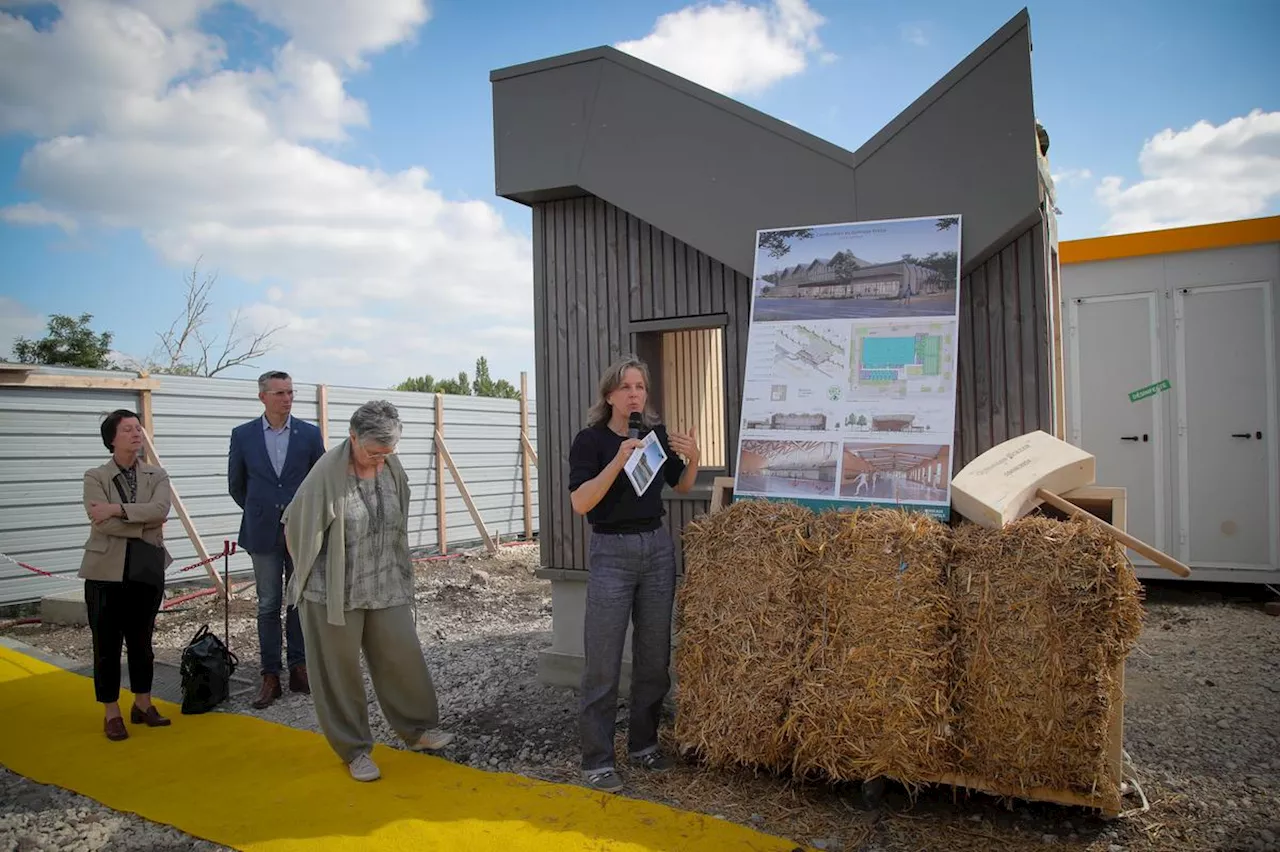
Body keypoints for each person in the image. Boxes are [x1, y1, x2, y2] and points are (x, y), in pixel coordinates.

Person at [282, 400, 454, 782]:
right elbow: (294, 531)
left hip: (384, 582)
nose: (380, 460)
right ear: (353, 437)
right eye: (373, 452)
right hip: (333, 592)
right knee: (339, 673)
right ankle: (355, 749)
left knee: (402, 655)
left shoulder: (392, 468)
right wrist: (311, 582)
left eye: (387, 453)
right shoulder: (325, 476)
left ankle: (417, 729)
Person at [567, 355, 701, 793]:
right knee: (603, 661)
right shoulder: (590, 442)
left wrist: (694, 457)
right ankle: (598, 760)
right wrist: (618, 460)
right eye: (626, 387)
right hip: (612, 552)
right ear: (609, 396)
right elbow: (581, 502)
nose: (635, 394)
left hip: (657, 550)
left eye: (640, 387)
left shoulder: (655, 436)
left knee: (653, 658)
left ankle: (643, 746)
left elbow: (680, 485)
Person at [228, 370, 326, 709]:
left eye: (290, 392)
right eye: (280, 393)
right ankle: (271, 675)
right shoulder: (243, 436)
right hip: (262, 532)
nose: (287, 398)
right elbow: (237, 485)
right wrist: (264, 512)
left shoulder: (309, 435)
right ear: (263, 397)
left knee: (298, 599)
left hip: (299, 532)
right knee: (268, 603)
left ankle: (299, 667)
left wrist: (300, 519)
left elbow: (320, 482)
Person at [79, 409, 174, 741]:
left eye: (139, 428)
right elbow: (100, 522)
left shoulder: (157, 475)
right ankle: (111, 711)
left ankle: (143, 704)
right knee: (106, 643)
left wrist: (118, 510)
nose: (137, 434)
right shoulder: (95, 476)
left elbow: (160, 510)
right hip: (105, 571)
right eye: (128, 429)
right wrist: (142, 523)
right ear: (112, 438)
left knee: (142, 640)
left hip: (146, 568)